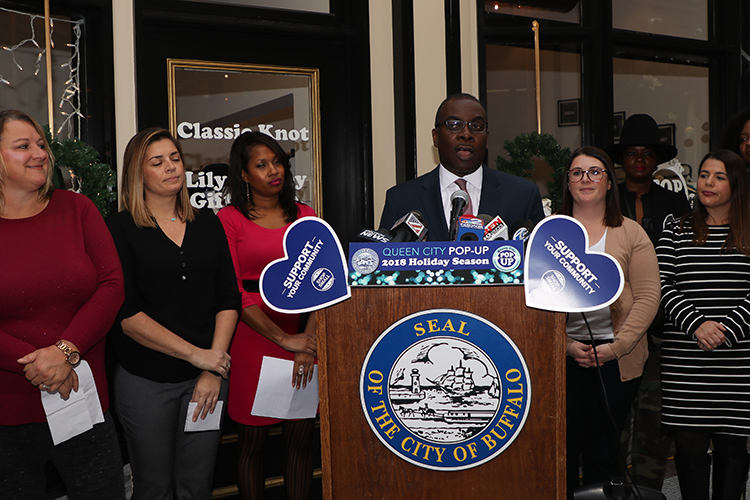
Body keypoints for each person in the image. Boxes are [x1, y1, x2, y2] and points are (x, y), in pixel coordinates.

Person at [107, 128, 240, 499]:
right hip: (145, 381)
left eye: (175, 158)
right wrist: (200, 357)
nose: (171, 167)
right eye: (157, 161)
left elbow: (229, 298)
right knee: (154, 488)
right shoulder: (119, 229)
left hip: (208, 379)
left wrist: (211, 369)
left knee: (197, 486)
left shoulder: (208, 223)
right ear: (138, 173)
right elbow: (127, 315)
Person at [0, 110, 126, 499]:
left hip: (81, 400)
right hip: (8, 412)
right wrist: (41, 364)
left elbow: (112, 285)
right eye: (23, 146)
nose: (39, 153)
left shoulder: (76, 208)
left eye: (41, 144)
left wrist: (64, 351)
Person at [218, 131, 318, 500]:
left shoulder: (305, 216)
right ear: (243, 175)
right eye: (261, 165)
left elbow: (326, 288)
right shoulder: (228, 220)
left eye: (277, 162)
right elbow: (234, 292)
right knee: (252, 441)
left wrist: (307, 343)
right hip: (253, 338)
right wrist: (283, 340)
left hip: (304, 336)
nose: (273, 171)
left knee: (300, 438)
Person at [560, 146, 660, 498]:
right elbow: (532, 301)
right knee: (562, 453)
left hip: (617, 359)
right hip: (561, 358)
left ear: (608, 183)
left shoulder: (631, 233)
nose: (585, 179)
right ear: (568, 184)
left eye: (594, 172)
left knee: (604, 453)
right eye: (577, 172)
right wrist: (565, 346)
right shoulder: (549, 232)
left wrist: (615, 348)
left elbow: (649, 297)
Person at [604, 113, 692, 490]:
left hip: (664, 329)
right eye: (631, 153)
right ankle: (610, 489)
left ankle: (649, 492)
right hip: (613, 322)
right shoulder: (605, 200)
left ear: (656, 160)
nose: (639, 160)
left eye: (646, 153)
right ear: (621, 160)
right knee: (613, 419)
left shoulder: (677, 204)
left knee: (656, 421)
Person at [657, 149, 750, 500]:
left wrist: (725, 330)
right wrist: (697, 324)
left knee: (733, 450)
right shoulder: (675, 229)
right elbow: (661, 285)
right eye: (705, 175)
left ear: (737, 184)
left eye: (719, 177)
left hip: (737, 362)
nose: (708, 183)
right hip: (686, 363)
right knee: (690, 451)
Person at [379, 93, 545, 240]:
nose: (466, 134)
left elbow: (536, 263)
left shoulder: (522, 196)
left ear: (487, 139)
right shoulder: (401, 200)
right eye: (454, 125)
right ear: (435, 137)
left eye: (477, 127)